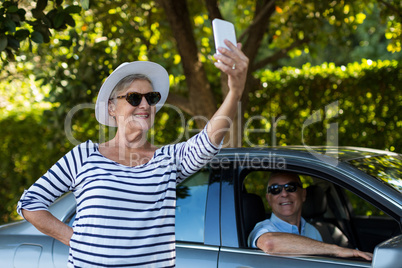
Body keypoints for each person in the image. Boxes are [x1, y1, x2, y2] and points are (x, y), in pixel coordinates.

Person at [17, 40, 249, 267]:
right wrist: (76, 240)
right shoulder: (84, 156)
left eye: (151, 98)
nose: (145, 105)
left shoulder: (167, 159)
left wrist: (234, 92)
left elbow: (208, 140)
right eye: (134, 98)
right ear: (111, 107)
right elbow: (30, 203)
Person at [248, 172, 373, 261]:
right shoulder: (263, 229)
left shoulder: (313, 231)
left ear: (303, 194)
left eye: (291, 187)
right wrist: (337, 250)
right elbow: (270, 244)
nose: (284, 194)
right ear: (269, 199)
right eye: (275, 189)